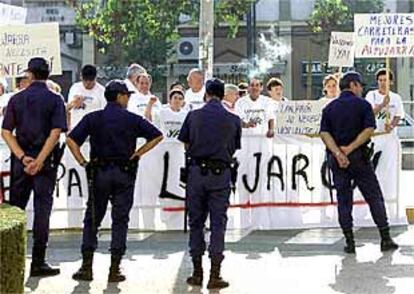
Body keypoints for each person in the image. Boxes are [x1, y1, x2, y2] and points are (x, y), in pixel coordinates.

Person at [67, 80, 163, 282]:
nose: (128, 98)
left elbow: (71, 140)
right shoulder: (131, 118)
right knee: (120, 220)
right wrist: (137, 154)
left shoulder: (93, 118)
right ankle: (114, 269)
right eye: (127, 95)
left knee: (92, 219)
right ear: (119, 96)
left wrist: (83, 163)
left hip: (99, 171)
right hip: (124, 172)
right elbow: (157, 136)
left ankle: (87, 267)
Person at [1, 57, 67, 276]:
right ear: (48, 75)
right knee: (42, 211)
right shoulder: (55, 99)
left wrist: (22, 157)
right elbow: (56, 132)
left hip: (21, 162)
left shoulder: (16, 99)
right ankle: (38, 262)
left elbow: (6, 132)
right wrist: (39, 159)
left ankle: (9, 257)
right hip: (45, 163)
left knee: (16, 209)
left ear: (29, 74)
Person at [320, 71, 399, 254]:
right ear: (353, 85)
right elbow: (369, 129)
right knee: (373, 197)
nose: (362, 89)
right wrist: (350, 148)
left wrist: (338, 153)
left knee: (343, 199)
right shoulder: (363, 106)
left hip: (337, 160)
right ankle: (385, 238)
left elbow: (325, 133)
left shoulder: (330, 108)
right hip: (359, 159)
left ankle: (349, 241)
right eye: (360, 85)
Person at [178, 78, 241, 290]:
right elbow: (234, 148)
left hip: (196, 173)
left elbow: (186, 143)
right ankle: (215, 273)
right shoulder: (233, 119)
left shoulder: (193, 115)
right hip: (220, 174)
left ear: (206, 94)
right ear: (223, 96)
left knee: (196, 223)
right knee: (217, 224)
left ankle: (197, 272)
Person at [67, 64, 106, 130]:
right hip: (76, 127)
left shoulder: (101, 91)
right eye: (85, 80)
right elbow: (68, 109)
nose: (88, 83)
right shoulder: (75, 88)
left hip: (94, 129)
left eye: (91, 80)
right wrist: (73, 103)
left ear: (95, 78)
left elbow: (104, 113)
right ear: (81, 77)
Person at [365, 69, 404, 134]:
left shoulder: (396, 97)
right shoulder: (371, 95)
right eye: (380, 80)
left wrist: (391, 126)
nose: (382, 83)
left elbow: (398, 115)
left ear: (391, 82)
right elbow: (369, 114)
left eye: (385, 80)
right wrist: (383, 104)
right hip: (375, 135)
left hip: (390, 135)